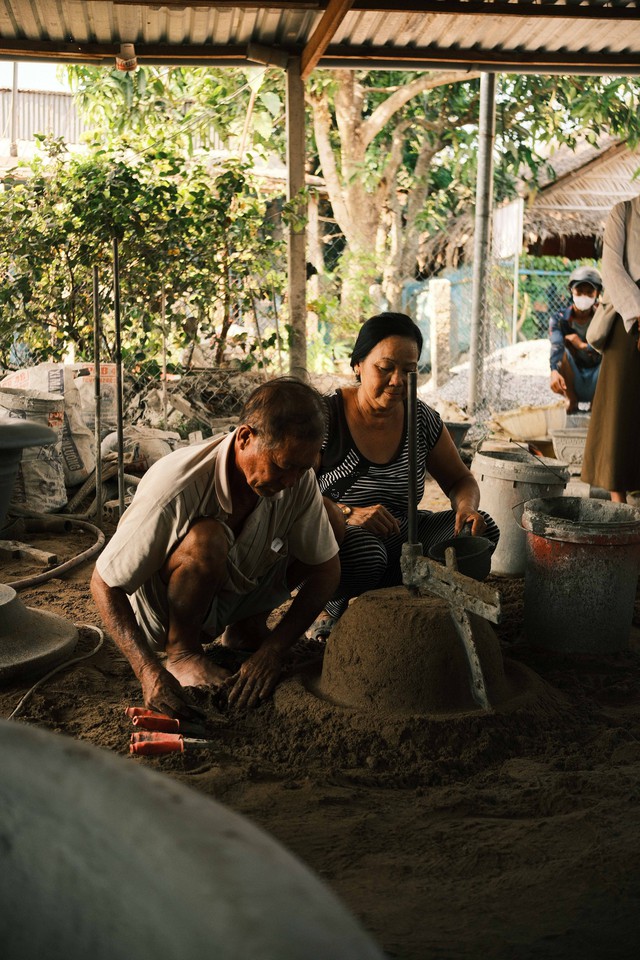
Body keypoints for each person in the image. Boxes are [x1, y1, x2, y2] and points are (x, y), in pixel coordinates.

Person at [91, 378, 340, 716]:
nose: (292, 481)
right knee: (207, 539)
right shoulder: (177, 485)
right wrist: (148, 672)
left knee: (331, 519)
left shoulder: (296, 479)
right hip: (163, 615)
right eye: (283, 466)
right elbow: (104, 582)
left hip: (232, 594)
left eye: (303, 468)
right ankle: (183, 654)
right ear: (245, 438)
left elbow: (326, 570)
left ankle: (246, 630)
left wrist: (272, 651)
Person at [309, 312, 499, 638]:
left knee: (479, 531)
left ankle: (401, 604)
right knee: (368, 555)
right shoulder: (325, 418)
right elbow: (292, 496)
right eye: (385, 368)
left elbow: (460, 481)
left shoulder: (421, 419)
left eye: (409, 371)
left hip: (404, 538)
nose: (397, 381)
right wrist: (348, 514)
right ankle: (332, 606)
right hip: (336, 540)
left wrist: (465, 507)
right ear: (358, 364)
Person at [581, 198, 640, 503]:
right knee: (618, 412)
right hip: (627, 319)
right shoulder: (625, 212)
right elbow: (612, 269)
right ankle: (619, 506)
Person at [549, 265, 603, 413]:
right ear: (571, 291)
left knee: (611, 356)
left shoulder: (603, 317)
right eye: (579, 291)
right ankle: (571, 401)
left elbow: (610, 346)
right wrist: (554, 371)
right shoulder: (560, 320)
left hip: (598, 378)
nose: (583, 296)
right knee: (563, 353)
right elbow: (556, 345)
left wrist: (583, 346)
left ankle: (597, 404)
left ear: (597, 293)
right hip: (574, 377)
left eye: (589, 292)